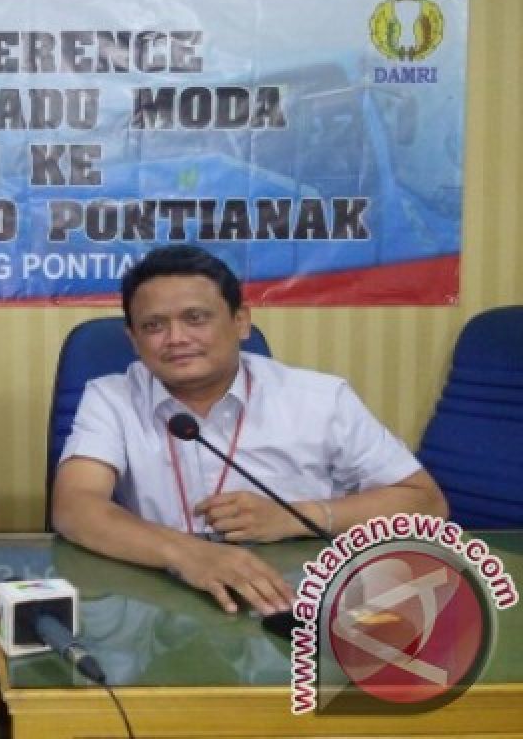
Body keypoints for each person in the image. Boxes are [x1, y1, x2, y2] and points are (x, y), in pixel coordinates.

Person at [51, 245, 448, 617]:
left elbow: (425, 503)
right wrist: (188, 554)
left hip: (299, 601)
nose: (176, 339)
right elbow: (74, 508)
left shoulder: (320, 399)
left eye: (195, 318)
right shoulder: (112, 397)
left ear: (240, 322)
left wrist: (296, 517)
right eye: (154, 325)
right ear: (133, 340)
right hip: (161, 595)